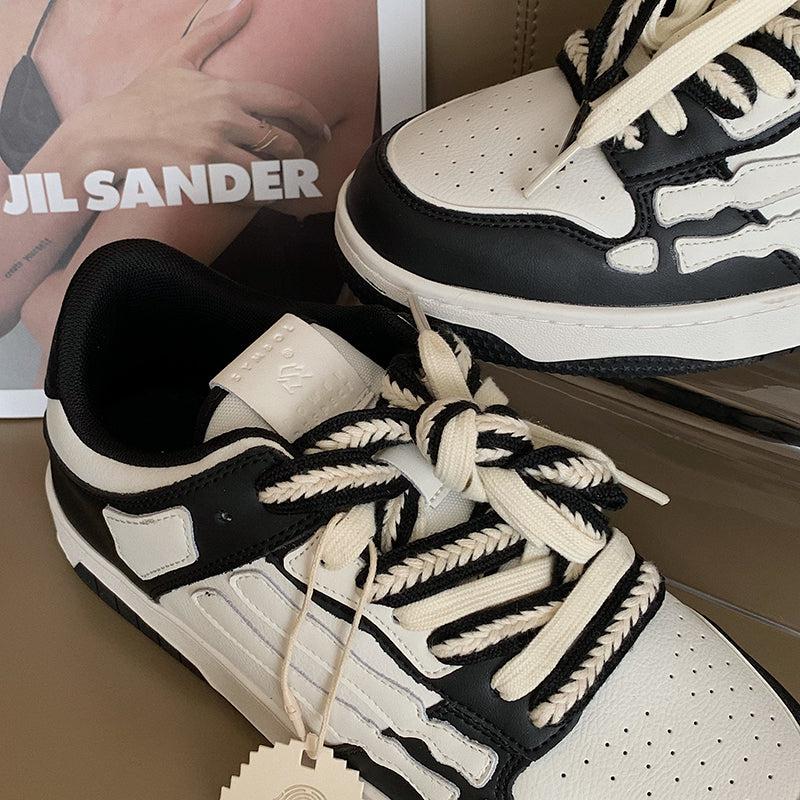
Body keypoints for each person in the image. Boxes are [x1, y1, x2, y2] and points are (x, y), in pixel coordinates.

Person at [0, 0, 379, 381]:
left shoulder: (291, 15)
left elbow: (77, 341)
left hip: (241, 408)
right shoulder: (20, 11)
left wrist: (23, 276)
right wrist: (85, 143)